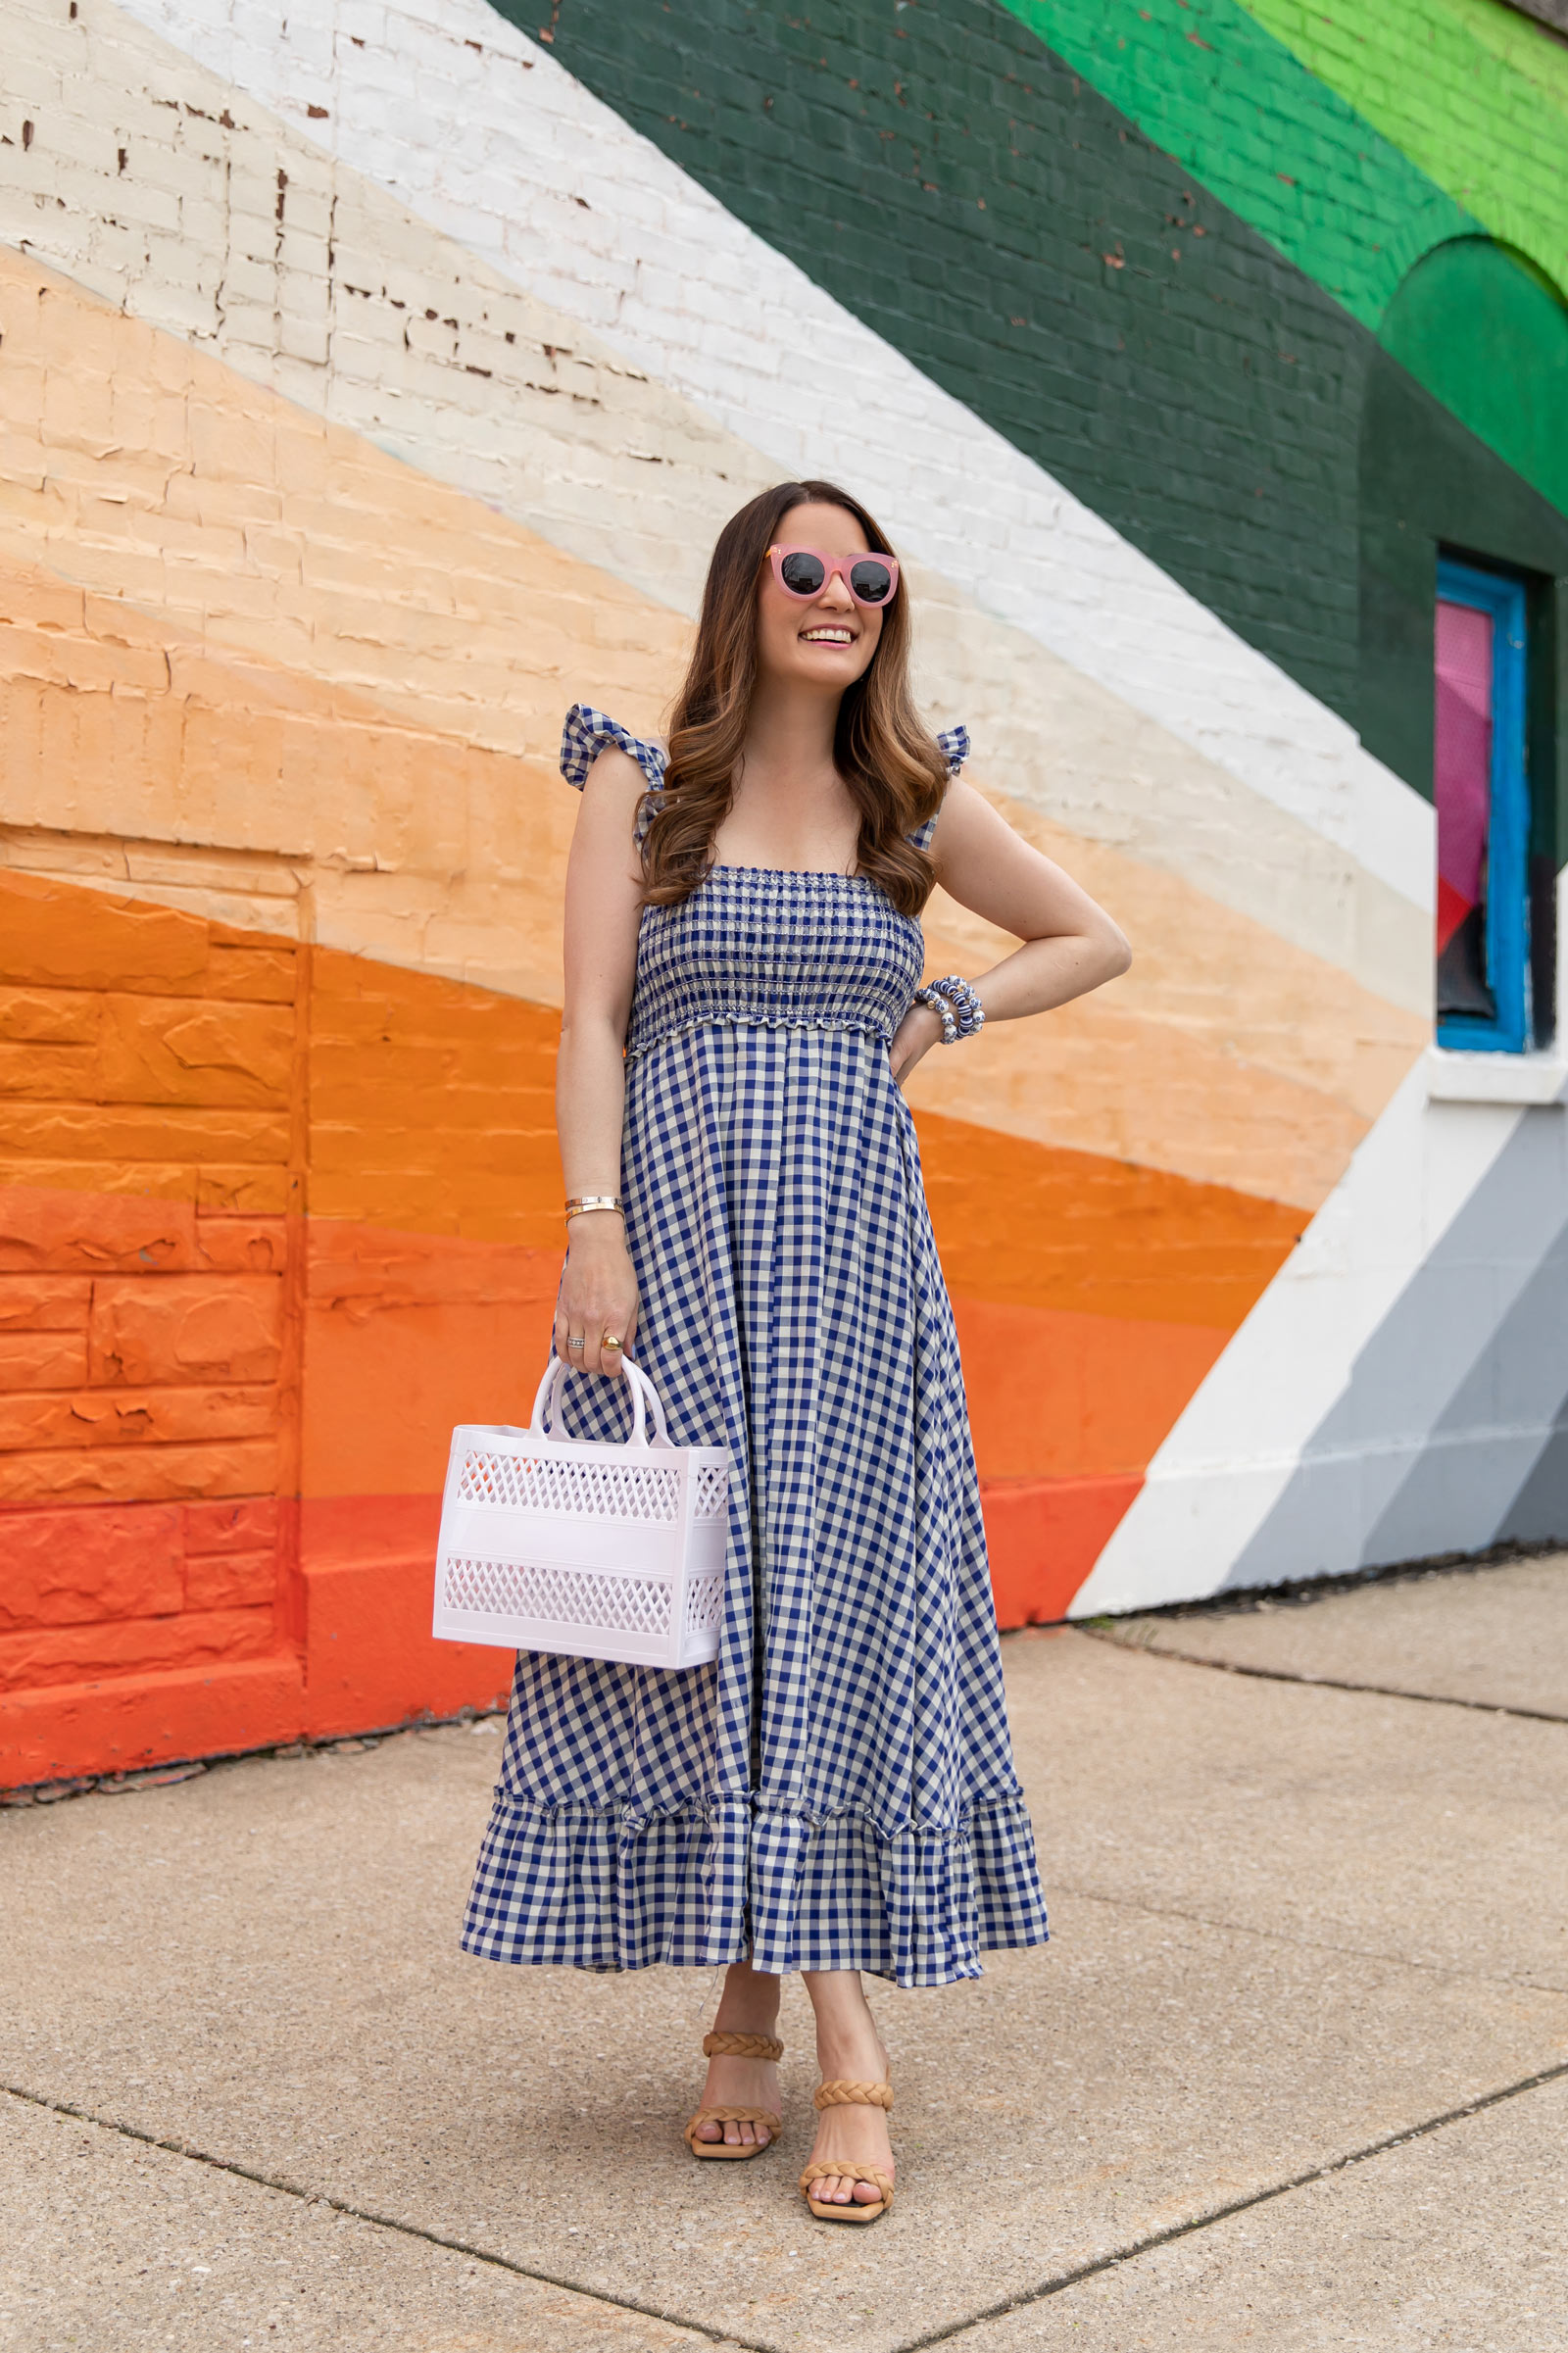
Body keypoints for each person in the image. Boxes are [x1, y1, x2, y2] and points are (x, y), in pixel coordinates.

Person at [462, 480, 1130, 2223]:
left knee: (827, 1607)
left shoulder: (905, 796)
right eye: (808, 567)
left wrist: (939, 1008)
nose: (842, 594)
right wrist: (586, 1225)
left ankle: (793, 2025)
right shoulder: (643, 780)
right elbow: (592, 1019)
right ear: (746, 587)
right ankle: (816, 2026)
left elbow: (1091, 935)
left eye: (871, 573)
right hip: (676, 1246)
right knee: (705, 1617)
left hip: (853, 1266)